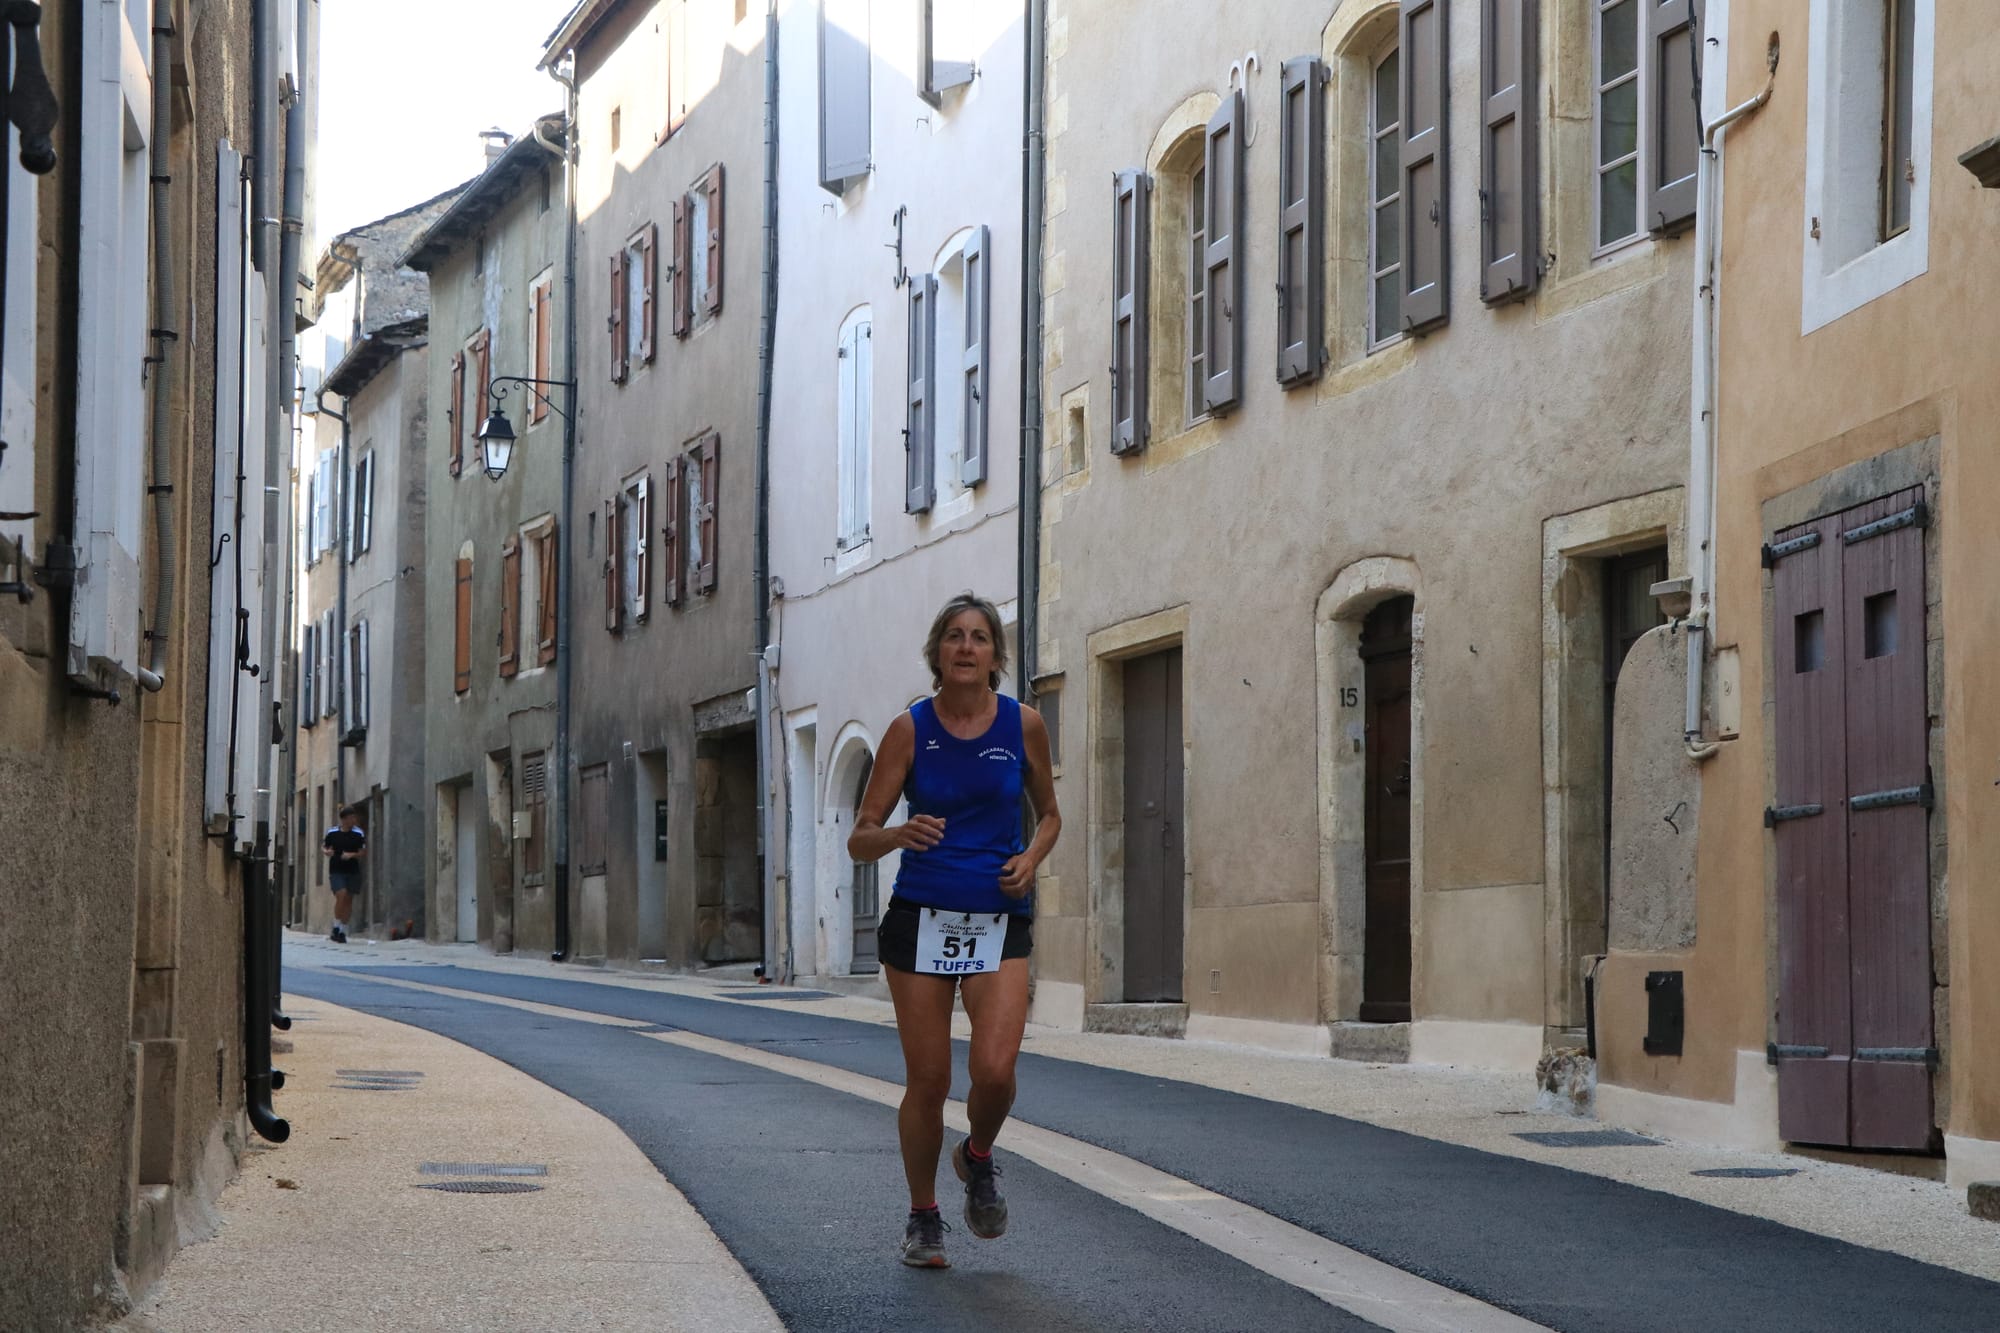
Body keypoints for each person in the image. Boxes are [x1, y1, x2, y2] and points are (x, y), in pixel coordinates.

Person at [848, 593, 1061, 1270]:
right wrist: (897, 833)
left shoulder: (1023, 725)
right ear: (937, 652)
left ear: (996, 655)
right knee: (931, 1079)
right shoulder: (909, 730)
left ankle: (977, 1155)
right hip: (921, 917)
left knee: (994, 1072)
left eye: (979, 637)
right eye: (954, 636)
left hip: (998, 918)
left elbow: (1050, 815)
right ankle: (923, 1215)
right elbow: (859, 837)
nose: (966, 647)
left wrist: (1030, 859)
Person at [321, 805, 367, 944]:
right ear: (344, 819)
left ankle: (342, 931)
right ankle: (336, 926)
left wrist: (351, 855)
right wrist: (326, 852)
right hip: (336, 870)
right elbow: (324, 846)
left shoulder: (358, 833)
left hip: (352, 870)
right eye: (351, 817)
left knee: (348, 899)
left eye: (354, 817)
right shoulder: (332, 832)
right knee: (341, 894)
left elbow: (362, 852)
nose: (354, 820)